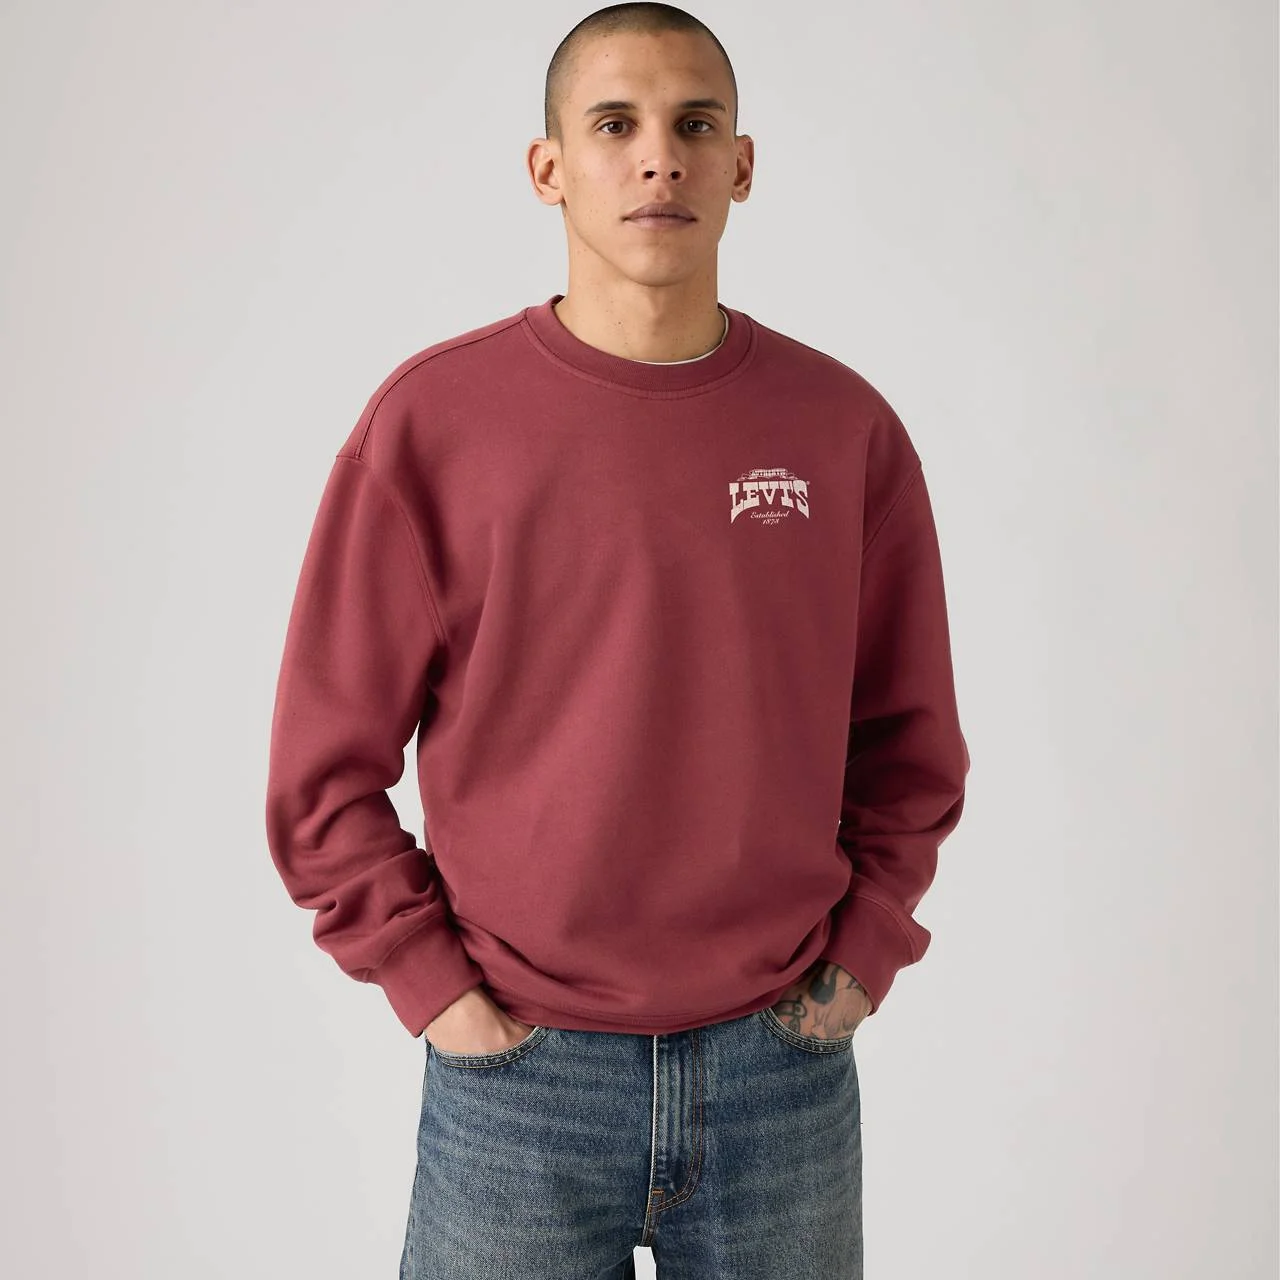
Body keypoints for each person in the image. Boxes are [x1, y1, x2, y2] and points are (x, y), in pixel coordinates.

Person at [264, 4, 970, 1276]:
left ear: (740, 164)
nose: (659, 157)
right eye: (613, 125)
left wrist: (858, 961)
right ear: (548, 169)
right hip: (520, 1083)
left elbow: (909, 742)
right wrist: (434, 989)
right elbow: (322, 770)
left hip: (778, 1075)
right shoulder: (432, 425)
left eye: (694, 125)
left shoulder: (839, 429)